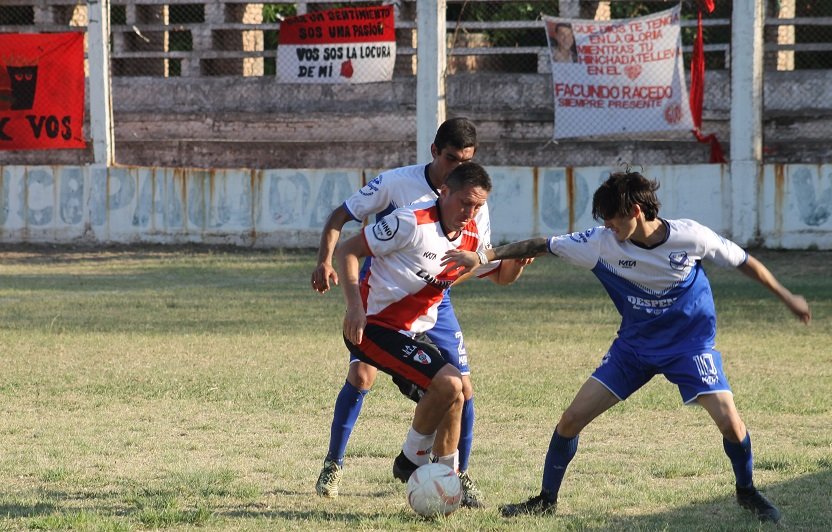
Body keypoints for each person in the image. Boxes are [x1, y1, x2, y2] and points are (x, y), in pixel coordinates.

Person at [442, 170, 811, 523]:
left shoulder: (692, 237)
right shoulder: (601, 244)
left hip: (690, 347)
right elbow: (542, 244)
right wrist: (485, 256)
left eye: (613, 219)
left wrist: (786, 295)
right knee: (571, 420)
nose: (607, 227)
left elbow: (745, 262)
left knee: (730, 422)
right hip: (634, 349)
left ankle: (747, 491)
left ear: (636, 211)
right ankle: (545, 500)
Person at [312, 118, 490, 507]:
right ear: (434, 153)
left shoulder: (472, 204)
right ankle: (338, 463)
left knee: (461, 389)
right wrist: (328, 263)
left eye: (466, 162)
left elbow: (476, 264)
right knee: (362, 375)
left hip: (432, 302)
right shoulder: (400, 189)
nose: (458, 168)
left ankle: (454, 479)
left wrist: (500, 267)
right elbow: (343, 222)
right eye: (451, 159)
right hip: (383, 304)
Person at [336, 162, 527, 486]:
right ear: (444, 191)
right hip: (373, 327)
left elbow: (499, 277)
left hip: (413, 332)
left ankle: (443, 481)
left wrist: (517, 264)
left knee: (458, 393)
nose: (470, 211)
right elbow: (347, 250)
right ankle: (410, 462)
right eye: (464, 202)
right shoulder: (410, 222)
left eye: (478, 205)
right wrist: (354, 307)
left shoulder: (470, 239)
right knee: (450, 383)